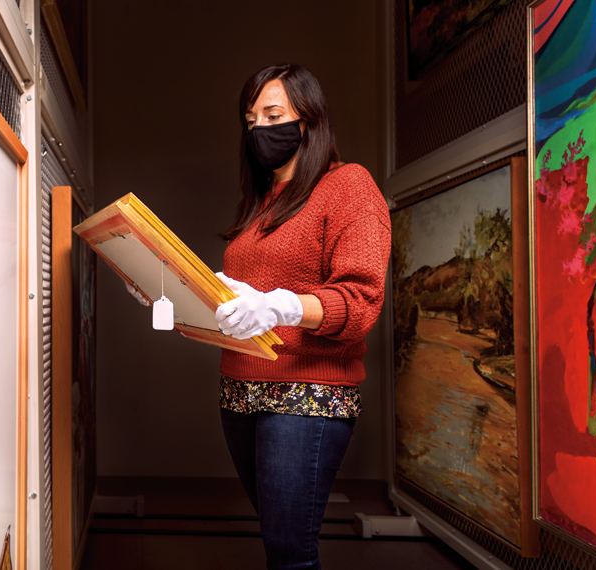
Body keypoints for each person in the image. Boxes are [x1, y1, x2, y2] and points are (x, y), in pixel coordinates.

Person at [126, 63, 389, 569]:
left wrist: (282, 304)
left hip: (306, 397)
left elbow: (360, 303)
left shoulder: (348, 186)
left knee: (290, 553)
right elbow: (233, 303)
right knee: (277, 540)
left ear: (309, 121)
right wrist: (169, 290)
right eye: (251, 120)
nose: (260, 130)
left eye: (274, 114)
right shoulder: (263, 202)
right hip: (240, 393)